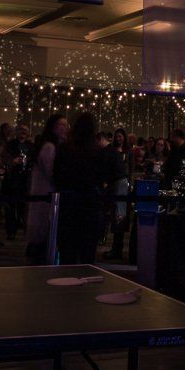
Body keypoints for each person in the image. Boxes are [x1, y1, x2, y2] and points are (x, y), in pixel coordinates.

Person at [54, 112, 122, 265]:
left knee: (68, 252)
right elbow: (102, 177)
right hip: (90, 204)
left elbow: (57, 176)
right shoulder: (97, 151)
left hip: (69, 203)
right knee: (87, 254)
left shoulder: (65, 149)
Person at [26, 115, 69, 261]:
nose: (65, 128)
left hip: (46, 193)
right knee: (43, 234)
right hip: (46, 194)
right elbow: (52, 172)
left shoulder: (52, 145)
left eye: (65, 125)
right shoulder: (49, 147)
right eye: (61, 125)